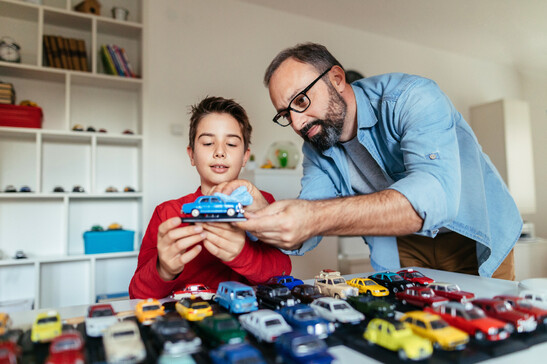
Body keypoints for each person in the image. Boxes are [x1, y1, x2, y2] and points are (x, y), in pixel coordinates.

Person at [217, 42, 522, 280]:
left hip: (471, 233)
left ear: (336, 79)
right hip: (404, 243)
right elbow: (309, 216)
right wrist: (262, 215)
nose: (297, 123)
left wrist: (312, 216)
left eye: (301, 101)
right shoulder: (316, 147)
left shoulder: (412, 97)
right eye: (286, 114)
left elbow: (435, 196)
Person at [129, 96, 292, 299]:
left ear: (245, 157)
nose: (220, 152)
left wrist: (242, 253)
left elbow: (283, 273)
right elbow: (137, 294)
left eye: (231, 144)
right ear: (191, 155)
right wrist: (164, 269)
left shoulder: (262, 203)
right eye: (208, 143)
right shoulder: (167, 213)